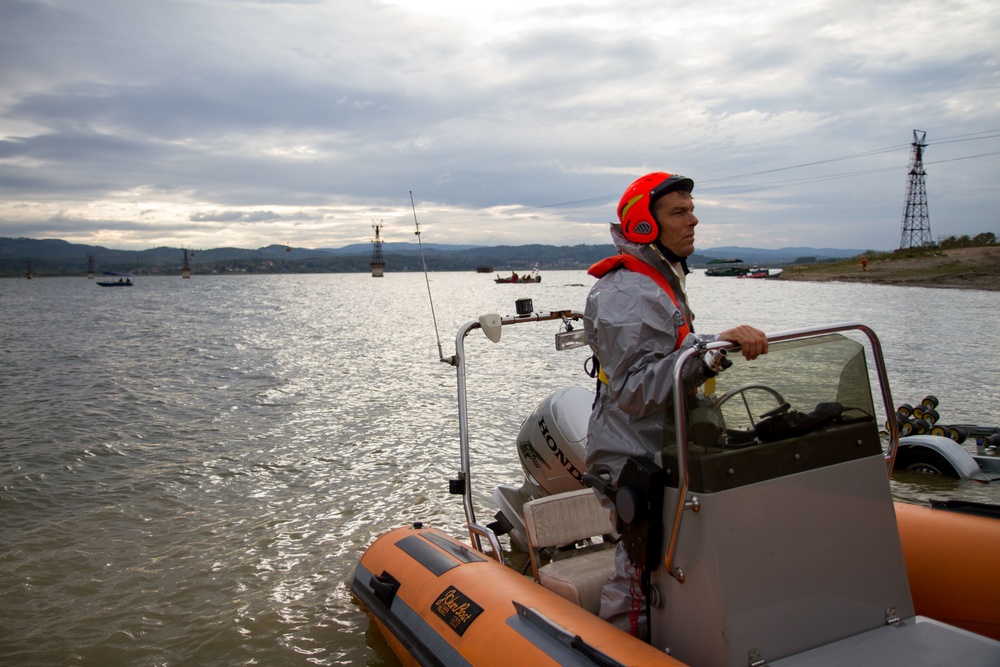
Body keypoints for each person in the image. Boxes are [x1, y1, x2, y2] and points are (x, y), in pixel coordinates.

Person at [583, 171, 768, 636]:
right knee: (638, 578)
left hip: (668, 449)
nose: (694, 219)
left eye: (691, 209)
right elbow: (632, 390)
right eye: (679, 212)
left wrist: (715, 343)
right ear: (645, 225)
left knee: (669, 569)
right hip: (636, 458)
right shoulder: (626, 293)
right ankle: (615, 650)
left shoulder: (656, 283)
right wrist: (708, 357)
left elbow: (671, 349)